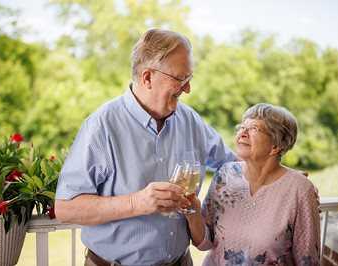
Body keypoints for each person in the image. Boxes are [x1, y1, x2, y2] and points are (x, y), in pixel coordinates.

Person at [54, 28, 236, 266]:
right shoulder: (102, 126)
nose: (188, 88)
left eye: (189, 78)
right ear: (147, 77)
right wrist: (136, 202)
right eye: (181, 79)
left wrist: (281, 174)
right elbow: (66, 208)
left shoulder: (190, 120)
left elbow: (233, 166)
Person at [186, 103, 320, 265]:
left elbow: (308, 260)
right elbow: (205, 242)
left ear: (276, 146)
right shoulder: (226, 175)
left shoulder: (300, 190)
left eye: (254, 128)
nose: (242, 133)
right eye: (242, 127)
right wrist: (192, 210)